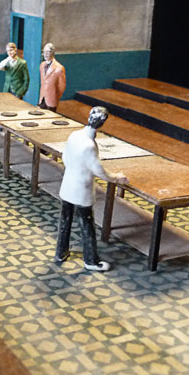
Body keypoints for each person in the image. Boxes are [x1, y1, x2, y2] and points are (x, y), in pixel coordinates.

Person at [55, 106, 129, 271]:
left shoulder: (74, 135)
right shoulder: (89, 145)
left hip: (67, 185)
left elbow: (65, 157)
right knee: (87, 225)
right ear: (102, 123)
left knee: (65, 221)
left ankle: (61, 252)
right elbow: (98, 170)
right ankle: (90, 260)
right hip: (81, 189)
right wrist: (116, 177)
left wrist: (74, 169)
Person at [38, 43, 66, 112]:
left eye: (48, 52)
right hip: (42, 98)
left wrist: (54, 96)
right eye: (44, 52)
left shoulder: (59, 68)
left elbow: (61, 87)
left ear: (52, 53)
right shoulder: (42, 65)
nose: (45, 54)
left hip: (51, 100)